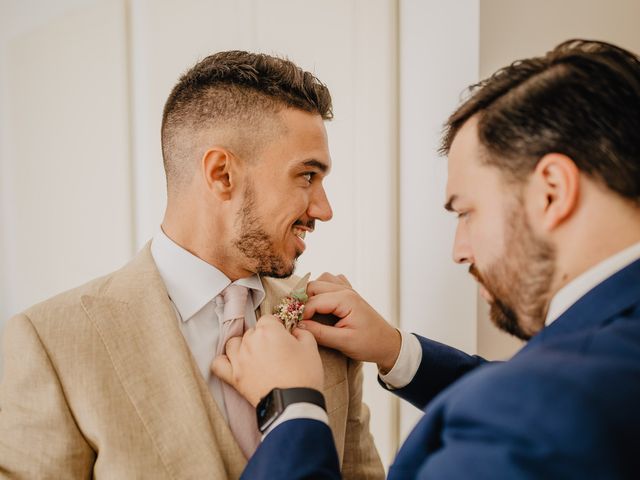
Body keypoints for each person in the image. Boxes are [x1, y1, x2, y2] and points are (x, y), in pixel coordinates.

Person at [212, 39, 640, 479]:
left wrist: (291, 406)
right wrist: (396, 350)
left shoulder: (529, 413)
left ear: (552, 190)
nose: (459, 250)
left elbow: (544, 404)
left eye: (466, 212)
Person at [0, 51, 383, 479]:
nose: (325, 209)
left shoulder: (327, 326)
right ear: (221, 174)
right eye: (307, 176)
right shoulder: (51, 343)